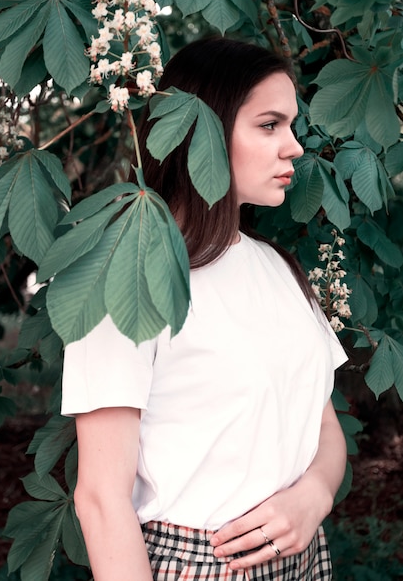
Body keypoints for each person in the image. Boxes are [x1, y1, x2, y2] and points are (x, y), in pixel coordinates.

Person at [61, 37, 348, 580]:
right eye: (269, 125)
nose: (295, 148)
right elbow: (101, 500)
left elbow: (325, 429)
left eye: (291, 126)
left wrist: (312, 497)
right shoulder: (129, 272)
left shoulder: (279, 269)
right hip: (197, 564)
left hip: (307, 559)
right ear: (205, 130)